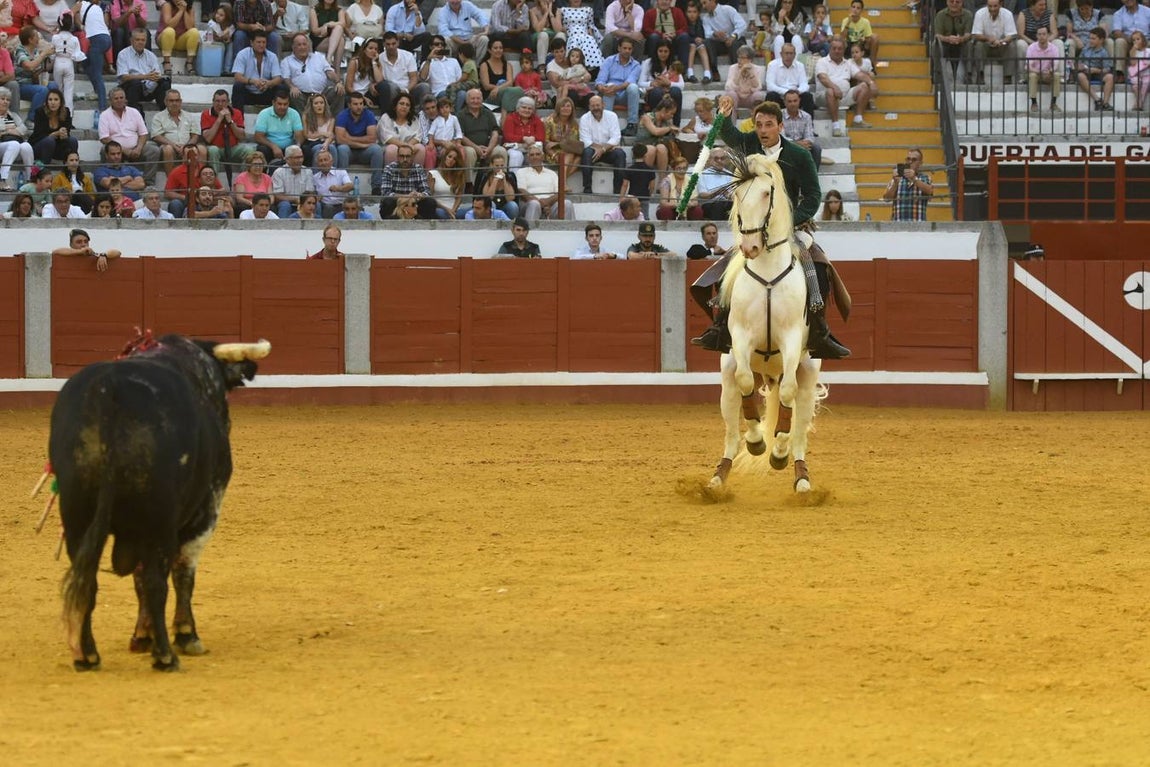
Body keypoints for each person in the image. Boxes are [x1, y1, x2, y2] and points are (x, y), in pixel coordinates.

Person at [692, 96, 851, 360]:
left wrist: (791, 220)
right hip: (754, 227)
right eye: (759, 125)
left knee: (818, 266)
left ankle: (819, 329)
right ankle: (720, 326)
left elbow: (813, 196)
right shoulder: (749, 144)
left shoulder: (799, 156)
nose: (763, 130)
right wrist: (724, 115)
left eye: (768, 125)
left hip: (789, 229)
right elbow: (729, 135)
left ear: (780, 126)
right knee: (727, 267)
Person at [98, 87, 162, 184]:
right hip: (116, 150)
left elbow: (143, 133)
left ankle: (148, 182)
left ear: (125, 99)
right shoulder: (104, 115)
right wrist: (124, 150)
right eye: (116, 98)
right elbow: (105, 138)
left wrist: (138, 148)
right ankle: (111, 182)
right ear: (110, 101)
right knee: (104, 150)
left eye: (121, 98)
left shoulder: (134, 112)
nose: (119, 100)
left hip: (136, 148)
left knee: (154, 151)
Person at [814, 37, 873, 137]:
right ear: (830, 49)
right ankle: (836, 126)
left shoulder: (848, 63)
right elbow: (823, 78)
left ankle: (858, 119)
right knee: (830, 91)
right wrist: (835, 88)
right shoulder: (822, 61)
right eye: (834, 48)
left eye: (840, 49)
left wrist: (871, 82)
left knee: (864, 86)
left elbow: (859, 74)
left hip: (844, 97)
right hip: (824, 97)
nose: (837, 51)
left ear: (844, 50)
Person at [281, 32, 344, 117]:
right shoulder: (287, 61)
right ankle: (305, 122)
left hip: (322, 93)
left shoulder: (318, 57)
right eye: (299, 45)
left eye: (304, 44)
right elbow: (286, 78)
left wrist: (338, 82)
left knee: (339, 91)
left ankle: (334, 121)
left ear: (308, 46)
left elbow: (329, 72)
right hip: (303, 95)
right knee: (294, 95)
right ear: (293, 47)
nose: (302, 47)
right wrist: (292, 87)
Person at [334, 91, 383, 194]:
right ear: (349, 105)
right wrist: (361, 144)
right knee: (342, 148)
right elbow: (340, 139)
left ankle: (376, 187)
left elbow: (372, 138)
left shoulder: (369, 114)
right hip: (349, 151)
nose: (359, 107)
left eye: (361, 103)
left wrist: (349, 138)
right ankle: (343, 185)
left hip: (364, 151)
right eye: (355, 104)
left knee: (377, 149)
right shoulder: (342, 115)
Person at [201, 88, 258, 173]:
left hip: (233, 148)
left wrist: (230, 121)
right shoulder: (206, 114)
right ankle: (214, 179)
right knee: (213, 150)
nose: (220, 104)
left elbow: (241, 137)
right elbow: (207, 139)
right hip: (216, 148)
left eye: (223, 101)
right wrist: (219, 120)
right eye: (217, 101)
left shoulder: (237, 113)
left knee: (249, 151)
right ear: (213, 102)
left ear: (228, 102)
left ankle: (244, 178)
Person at [578, 94, 626, 197]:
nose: (596, 108)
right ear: (589, 107)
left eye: (598, 105)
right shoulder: (584, 118)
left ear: (603, 105)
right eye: (593, 106)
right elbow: (585, 140)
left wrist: (604, 149)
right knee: (586, 152)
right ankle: (587, 188)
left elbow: (616, 137)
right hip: (593, 150)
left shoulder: (612, 116)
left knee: (620, 154)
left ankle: (618, 191)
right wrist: (601, 148)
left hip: (608, 151)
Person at [117, 27, 169, 113]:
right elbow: (123, 77)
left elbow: (157, 75)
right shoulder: (123, 54)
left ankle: (165, 113)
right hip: (130, 89)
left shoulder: (151, 55)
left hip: (148, 88)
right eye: (137, 40)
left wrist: (155, 78)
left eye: (143, 40)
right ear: (131, 40)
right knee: (135, 83)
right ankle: (135, 113)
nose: (140, 42)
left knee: (165, 82)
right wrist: (145, 77)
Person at [596, 38, 641, 136]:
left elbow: (629, 82)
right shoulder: (609, 61)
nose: (627, 51)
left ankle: (632, 124)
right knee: (608, 87)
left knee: (633, 87)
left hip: (625, 95)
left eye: (629, 49)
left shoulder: (636, 65)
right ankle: (606, 125)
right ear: (619, 48)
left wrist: (615, 88)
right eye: (624, 48)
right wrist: (602, 88)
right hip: (610, 93)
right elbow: (600, 80)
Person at [151, 89, 204, 173]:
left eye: (177, 100)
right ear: (165, 102)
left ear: (180, 102)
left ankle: (197, 178)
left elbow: (195, 135)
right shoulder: (158, 117)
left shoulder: (189, 116)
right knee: (168, 149)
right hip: (168, 147)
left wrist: (186, 146)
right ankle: (171, 179)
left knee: (201, 149)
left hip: (187, 146)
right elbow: (157, 136)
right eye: (171, 101)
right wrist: (174, 146)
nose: (174, 103)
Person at [518, 143, 574, 221]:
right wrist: (542, 204)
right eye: (532, 155)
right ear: (528, 158)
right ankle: (530, 228)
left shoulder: (552, 173)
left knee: (567, 203)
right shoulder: (521, 172)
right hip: (530, 205)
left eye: (538, 154)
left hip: (550, 205)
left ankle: (567, 228)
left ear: (543, 157)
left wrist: (547, 202)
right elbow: (522, 191)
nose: (535, 157)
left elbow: (559, 193)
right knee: (534, 204)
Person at [378, 142, 434, 219]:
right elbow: (385, 193)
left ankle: (422, 225)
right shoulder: (389, 168)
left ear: (412, 157)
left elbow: (427, 192)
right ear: (397, 157)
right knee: (387, 202)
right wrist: (407, 197)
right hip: (397, 203)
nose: (405, 159)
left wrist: (420, 195)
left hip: (415, 203)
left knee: (430, 202)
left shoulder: (418, 168)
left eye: (408, 156)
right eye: (402, 156)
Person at [230, 29, 283, 111]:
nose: (261, 45)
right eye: (258, 42)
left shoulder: (272, 56)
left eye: (264, 42)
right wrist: (253, 81)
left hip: (265, 92)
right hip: (248, 93)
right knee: (238, 86)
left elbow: (278, 78)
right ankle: (238, 117)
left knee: (282, 88)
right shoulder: (242, 54)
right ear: (252, 43)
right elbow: (237, 77)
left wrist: (268, 83)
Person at [75, 0, 113, 112]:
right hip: (106, 38)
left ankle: (103, 108)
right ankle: (97, 91)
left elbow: (68, 14)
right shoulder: (97, 7)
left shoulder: (80, 4)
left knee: (97, 75)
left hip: (97, 40)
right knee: (85, 63)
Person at [972, 0, 1021, 86]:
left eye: (995, 6)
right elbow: (976, 34)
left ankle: (1007, 77)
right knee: (979, 45)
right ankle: (980, 75)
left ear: (1000, 4)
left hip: (1001, 44)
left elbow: (1011, 35)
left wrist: (1002, 41)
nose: (992, 9)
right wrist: (989, 38)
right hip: (986, 44)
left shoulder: (1007, 14)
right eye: (990, 6)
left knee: (1012, 46)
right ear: (987, 5)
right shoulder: (979, 13)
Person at [253, 88, 304, 164]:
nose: (282, 107)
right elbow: (258, 137)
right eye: (279, 104)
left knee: (305, 150)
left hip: (289, 148)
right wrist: (273, 146)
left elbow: (299, 135)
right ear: (273, 103)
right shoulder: (264, 114)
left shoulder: (294, 113)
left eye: (285, 104)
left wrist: (297, 147)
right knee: (262, 150)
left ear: (289, 103)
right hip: (270, 148)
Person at [882, 146, 932, 222]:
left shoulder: (925, 178)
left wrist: (914, 179)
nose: (910, 162)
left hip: (918, 225)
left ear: (920, 163)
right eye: (908, 159)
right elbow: (886, 199)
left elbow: (930, 191)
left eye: (914, 160)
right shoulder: (897, 178)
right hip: (898, 225)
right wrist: (895, 184)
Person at [766, 42, 816, 116]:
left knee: (808, 96)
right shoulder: (772, 65)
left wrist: (797, 92)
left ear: (794, 54)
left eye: (791, 53)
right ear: (781, 54)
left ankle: (809, 122)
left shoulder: (800, 65)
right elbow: (770, 86)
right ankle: (770, 121)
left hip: (795, 97)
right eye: (786, 53)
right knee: (771, 95)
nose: (789, 56)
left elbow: (804, 84)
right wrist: (787, 92)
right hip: (780, 97)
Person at [29, 88, 77, 164]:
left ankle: (71, 166)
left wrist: (64, 134)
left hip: (58, 146)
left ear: (61, 102)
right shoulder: (40, 112)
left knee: (73, 140)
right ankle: (45, 166)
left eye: (56, 99)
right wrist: (54, 134)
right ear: (47, 102)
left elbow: (67, 130)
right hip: (40, 145)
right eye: (50, 100)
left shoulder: (66, 112)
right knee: (49, 140)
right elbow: (38, 134)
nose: (53, 102)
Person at [51, 11, 86, 113]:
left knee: (58, 89)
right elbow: (77, 54)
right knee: (69, 90)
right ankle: (68, 113)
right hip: (69, 62)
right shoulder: (74, 39)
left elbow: (52, 53)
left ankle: (57, 112)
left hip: (58, 62)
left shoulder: (55, 37)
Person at [781, 89, 826, 168]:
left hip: (803, 146)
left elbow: (810, 136)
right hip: (786, 146)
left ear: (799, 101)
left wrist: (805, 143)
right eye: (789, 101)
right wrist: (797, 144)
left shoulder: (806, 116)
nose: (793, 104)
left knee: (816, 148)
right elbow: (781, 137)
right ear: (784, 102)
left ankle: (813, 174)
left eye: (795, 101)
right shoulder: (779, 115)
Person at [473, 146, 519, 218]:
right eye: (497, 166)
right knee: (492, 204)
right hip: (490, 207)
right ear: (491, 165)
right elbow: (488, 198)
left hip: (505, 206)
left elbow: (510, 198)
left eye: (502, 165)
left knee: (513, 205)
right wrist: (495, 180)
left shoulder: (509, 177)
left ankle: (512, 223)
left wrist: (504, 180)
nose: (500, 168)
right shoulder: (486, 176)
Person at [933, 0, 974, 83]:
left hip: (962, 43)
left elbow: (968, 34)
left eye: (957, 2)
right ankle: (937, 74)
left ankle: (968, 75)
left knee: (969, 45)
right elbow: (937, 35)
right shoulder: (940, 15)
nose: (954, 4)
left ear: (962, 2)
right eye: (951, 1)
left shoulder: (968, 15)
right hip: (945, 43)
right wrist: (948, 39)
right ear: (947, 2)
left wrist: (961, 39)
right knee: (935, 45)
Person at [1076, 26, 1116, 111]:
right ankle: (1097, 100)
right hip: (1086, 73)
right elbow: (1079, 62)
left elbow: (1107, 69)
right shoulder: (1085, 49)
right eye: (1090, 38)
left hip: (1098, 74)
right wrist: (1080, 66)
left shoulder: (1103, 52)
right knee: (1080, 76)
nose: (1090, 40)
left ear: (1101, 40)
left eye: (1093, 39)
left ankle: (1105, 103)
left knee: (1110, 77)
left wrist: (1096, 70)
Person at [0, 91, 33, 190]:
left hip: (15, 147)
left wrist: (7, 131)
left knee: (26, 146)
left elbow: (24, 130)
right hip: (2, 146)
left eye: (8, 100)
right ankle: (2, 179)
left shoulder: (13, 115)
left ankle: (30, 179)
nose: (5, 102)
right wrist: (8, 129)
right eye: (2, 99)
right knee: (14, 144)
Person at [501, 95, 545, 170]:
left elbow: (541, 137)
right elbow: (508, 136)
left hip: (531, 146)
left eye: (529, 108)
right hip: (514, 147)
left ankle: (536, 175)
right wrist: (524, 138)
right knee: (516, 155)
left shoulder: (536, 119)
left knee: (535, 153)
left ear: (533, 110)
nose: (526, 110)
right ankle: (514, 176)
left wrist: (533, 138)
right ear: (518, 108)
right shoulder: (510, 118)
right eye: (524, 107)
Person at [270, 143, 314, 217]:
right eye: (296, 158)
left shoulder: (308, 171)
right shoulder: (279, 172)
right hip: (286, 203)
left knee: (314, 204)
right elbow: (278, 196)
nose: (300, 160)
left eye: (301, 157)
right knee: (285, 205)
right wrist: (295, 199)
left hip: (303, 203)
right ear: (288, 159)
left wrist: (302, 202)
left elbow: (310, 193)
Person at [157, 0, 199, 76]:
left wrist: (184, 10)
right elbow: (170, 25)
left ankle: (189, 62)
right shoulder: (167, 6)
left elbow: (190, 27)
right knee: (169, 31)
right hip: (164, 39)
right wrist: (180, 11)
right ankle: (166, 62)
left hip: (180, 41)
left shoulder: (190, 9)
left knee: (194, 32)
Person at [1109, 0, 1150, 76]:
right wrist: (1132, 40)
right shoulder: (1118, 14)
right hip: (1128, 41)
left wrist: (1142, 40)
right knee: (1119, 41)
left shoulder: (1148, 11)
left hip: (1146, 41)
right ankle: (1120, 73)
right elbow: (1117, 32)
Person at [700, 0, 747, 66]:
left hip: (736, 40)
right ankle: (714, 70)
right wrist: (714, 34)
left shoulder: (727, 9)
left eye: (705, 3)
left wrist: (733, 37)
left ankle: (737, 68)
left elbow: (742, 24)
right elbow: (707, 34)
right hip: (721, 43)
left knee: (734, 44)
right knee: (707, 42)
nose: (703, 7)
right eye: (702, 4)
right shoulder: (706, 18)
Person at [1026, 26, 1062, 112]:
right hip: (1037, 73)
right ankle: (1034, 103)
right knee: (1032, 75)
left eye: (1044, 34)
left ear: (1048, 35)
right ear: (1036, 36)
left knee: (1057, 75)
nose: (1041, 36)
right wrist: (1040, 72)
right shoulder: (1031, 48)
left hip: (1048, 73)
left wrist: (1050, 71)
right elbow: (1028, 66)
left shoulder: (1054, 48)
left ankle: (1053, 103)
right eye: (1039, 34)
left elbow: (1056, 64)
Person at [656, 155, 702, 220]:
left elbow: (695, 201)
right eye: (679, 168)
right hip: (671, 208)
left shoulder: (690, 181)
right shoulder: (666, 181)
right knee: (665, 211)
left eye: (684, 168)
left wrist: (690, 204)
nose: (682, 171)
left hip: (687, 208)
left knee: (697, 210)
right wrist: (678, 205)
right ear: (673, 169)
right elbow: (663, 203)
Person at [51, 228, 121, 271]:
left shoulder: (95, 256)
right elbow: (55, 252)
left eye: (86, 241)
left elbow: (118, 252)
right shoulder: (68, 254)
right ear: (71, 245)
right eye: (79, 242)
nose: (83, 244)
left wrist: (104, 255)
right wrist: (80, 251)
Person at [312, 146, 353, 216]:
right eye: (320, 161)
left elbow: (350, 186)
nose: (323, 163)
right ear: (317, 164)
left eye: (325, 160)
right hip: (325, 206)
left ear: (331, 161)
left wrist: (339, 188)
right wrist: (316, 197)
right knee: (327, 207)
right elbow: (313, 194)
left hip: (342, 205)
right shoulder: (315, 178)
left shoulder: (341, 172)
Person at [725, 45, 766, 111]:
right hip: (737, 98)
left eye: (742, 58)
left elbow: (758, 88)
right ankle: (732, 117)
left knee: (758, 95)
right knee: (731, 94)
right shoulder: (733, 68)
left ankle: (755, 116)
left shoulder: (757, 69)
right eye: (738, 57)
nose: (739, 60)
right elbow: (729, 87)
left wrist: (751, 73)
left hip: (750, 98)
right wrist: (740, 72)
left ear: (750, 59)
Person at [696, 146, 732, 220]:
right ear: (710, 160)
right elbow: (703, 195)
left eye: (722, 158)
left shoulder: (730, 175)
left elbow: (733, 195)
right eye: (716, 158)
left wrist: (728, 195)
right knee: (718, 205)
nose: (719, 161)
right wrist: (718, 192)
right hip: (709, 204)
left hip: (727, 203)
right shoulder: (702, 175)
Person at [310, 0, 347, 67]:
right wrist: (325, 27)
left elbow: (343, 24)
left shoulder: (339, 10)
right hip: (319, 39)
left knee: (339, 30)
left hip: (335, 39)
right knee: (340, 39)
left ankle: (329, 58)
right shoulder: (314, 10)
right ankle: (336, 68)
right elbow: (314, 30)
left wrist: (328, 24)